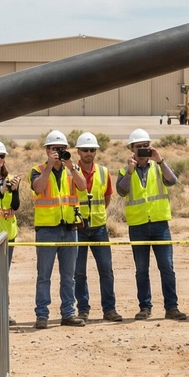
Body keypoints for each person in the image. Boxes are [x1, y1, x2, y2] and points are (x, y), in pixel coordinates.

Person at [115, 128, 186, 321]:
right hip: (138, 226)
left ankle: (171, 307)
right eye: (139, 147)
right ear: (131, 149)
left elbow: (172, 180)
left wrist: (160, 160)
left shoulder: (158, 166)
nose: (143, 150)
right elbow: (121, 191)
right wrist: (130, 172)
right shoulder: (124, 171)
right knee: (141, 270)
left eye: (146, 146)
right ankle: (145, 307)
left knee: (167, 268)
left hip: (160, 224)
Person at [30, 131, 87, 329]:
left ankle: (68, 313)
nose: (59, 153)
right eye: (55, 149)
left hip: (69, 228)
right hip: (47, 230)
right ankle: (42, 315)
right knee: (44, 275)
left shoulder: (72, 170)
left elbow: (83, 186)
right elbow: (38, 188)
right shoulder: (37, 170)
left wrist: (72, 167)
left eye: (62, 149)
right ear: (47, 150)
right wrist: (48, 166)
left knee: (68, 276)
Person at [73, 132, 120, 322]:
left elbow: (107, 197)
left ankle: (109, 309)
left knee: (106, 270)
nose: (88, 153)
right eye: (85, 150)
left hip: (99, 227)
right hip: (79, 228)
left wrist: (97, 213)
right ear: (78, 151)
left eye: (92, 150)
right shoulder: (71, 172)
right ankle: (83, 309)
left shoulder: (103, 172)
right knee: (79, 272)